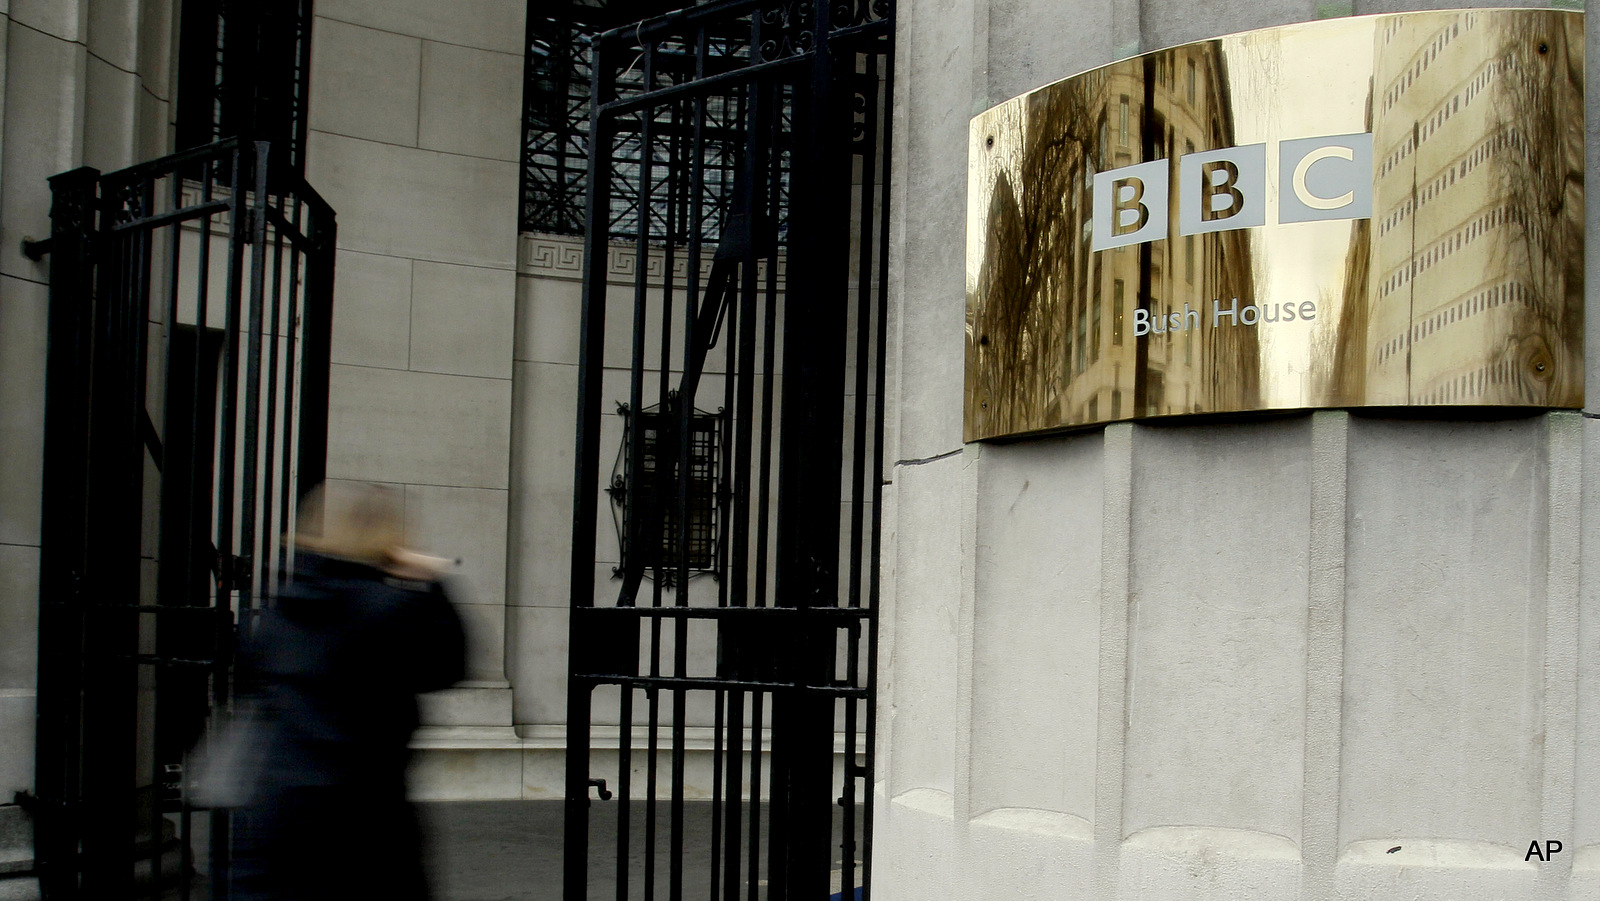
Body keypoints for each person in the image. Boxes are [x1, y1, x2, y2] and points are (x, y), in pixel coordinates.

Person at [228, 483, 466, 901]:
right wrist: (433, 582)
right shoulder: (391, 608)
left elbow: (250, 680)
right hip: (366, 808)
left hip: (278, 806)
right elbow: (449, 667)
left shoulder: (279, 609)